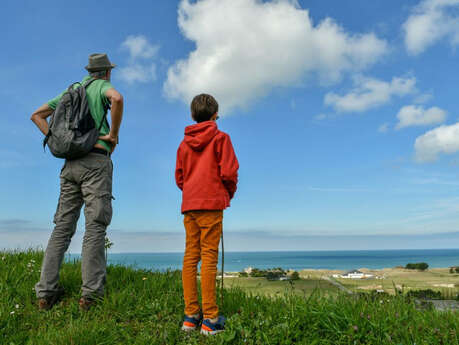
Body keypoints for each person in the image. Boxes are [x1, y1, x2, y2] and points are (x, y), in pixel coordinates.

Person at [31, 53, 124, 310]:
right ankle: (90, 295)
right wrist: (113, 134)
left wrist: (56, 140)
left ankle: (46, 293)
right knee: (95, 226)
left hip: (69, 166)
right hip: (95, 162)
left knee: (62, 227)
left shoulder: (72, 90)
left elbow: (37, 115)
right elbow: (117, 98)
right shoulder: (102, 87)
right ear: (106, 72)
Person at [175, 94, 239, 335]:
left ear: (193, 116)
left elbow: (180, 177)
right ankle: (210, 319)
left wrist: (193, 193)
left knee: (191, 256)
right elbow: (229, 173)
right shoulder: (221, 138)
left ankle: (191, 316)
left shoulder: (183, 145)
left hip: (190, 205)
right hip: (212, 204)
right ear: (215, 115)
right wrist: (226, 195)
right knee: (209, 257)